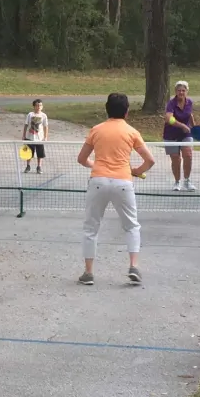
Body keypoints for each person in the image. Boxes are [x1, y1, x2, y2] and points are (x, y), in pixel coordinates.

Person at [76, 92, 156, 286]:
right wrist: (136, 170)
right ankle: (133, 266)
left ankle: (88, 272)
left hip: (98, 181)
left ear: (107, 109)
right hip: (123, 182)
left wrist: (95, 164)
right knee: (131, 226)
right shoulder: (131, 132)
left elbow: (81, 158)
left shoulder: (96, 130)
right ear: (127, 112)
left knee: (91, 227)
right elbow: (150, 160)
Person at [163, 80, 197, 191]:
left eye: (183, 90)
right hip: (171, 134)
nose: (181, 92)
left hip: (186, 134)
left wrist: (194, 127)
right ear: (175, 91)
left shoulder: (189, 102)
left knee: (188, 154)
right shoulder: (171, 104)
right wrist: (182, 125)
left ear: (187, 91)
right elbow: (169, 119)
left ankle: (186, 181)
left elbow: (190, 114)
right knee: (176, 159)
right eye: (179, 90)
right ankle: (177, 182)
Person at [22, 99, 49, 174]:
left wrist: (45, 137)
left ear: (42, 106)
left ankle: (39, 167)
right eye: (37, 105)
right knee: (28, 153)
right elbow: (26, 125)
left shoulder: (44, 115)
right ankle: (28, 166)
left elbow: (46, 126)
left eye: (40, 105)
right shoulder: (30, 114)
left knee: (40, 154)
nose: (39, 107)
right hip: (30, 138)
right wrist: (24, 135)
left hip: (39, 139)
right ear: (34, 106)